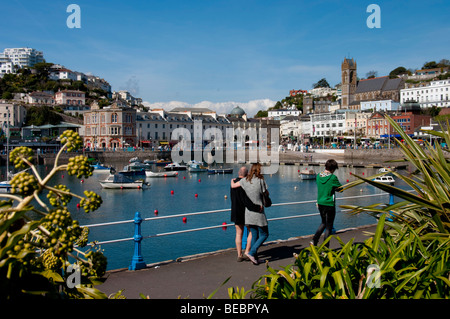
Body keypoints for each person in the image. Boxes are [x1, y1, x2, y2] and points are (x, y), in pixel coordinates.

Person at [231, 163, 268, 265]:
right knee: (258, 233)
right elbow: (263, 194)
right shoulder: (254, 181)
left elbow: (233, 186)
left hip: (241, 212)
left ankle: (242, 255)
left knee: (245, 233)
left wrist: (231, 181)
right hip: (253, 211)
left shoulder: (239, 181)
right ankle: (249, 252)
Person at [312, 159, 342, 247]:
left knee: (323, 223)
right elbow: (341, 188)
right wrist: (335, 189)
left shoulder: (318, 176)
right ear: (332, 169)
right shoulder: (333, 178)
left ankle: (314, 240)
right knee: (329, 227)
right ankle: (325, 247)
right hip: (329, 203)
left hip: (320, 202)